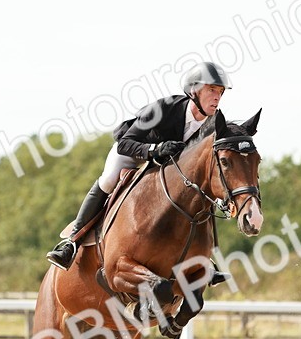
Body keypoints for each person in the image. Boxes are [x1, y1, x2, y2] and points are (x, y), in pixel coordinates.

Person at [46, 62, 233, 276]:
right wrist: (155, 149)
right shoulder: (164, 109)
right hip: (135, 152)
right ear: (194, 91)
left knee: (199, 193)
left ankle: (204, 257)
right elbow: (126, 142)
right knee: (108, 180)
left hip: (169, 167)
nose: (217, 97)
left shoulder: (216, 122)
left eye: (220, 92)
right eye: (211, 90)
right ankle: (72, 243)